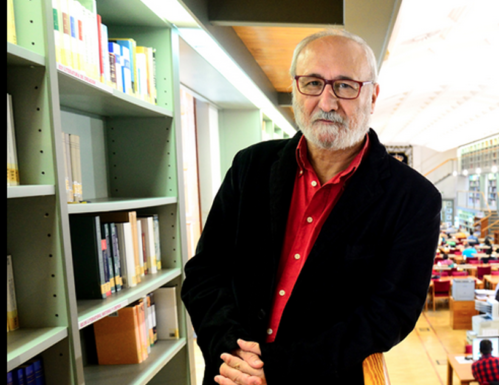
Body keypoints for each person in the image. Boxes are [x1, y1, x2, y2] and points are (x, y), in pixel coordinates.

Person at [181, 29, 441, 384]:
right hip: (231, 375)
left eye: (345, 86)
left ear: (373, 95)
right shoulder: (250, 168)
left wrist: (275, 367)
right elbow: (205, 273)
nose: (327, 102)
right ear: (294, 88)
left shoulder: (413, 198)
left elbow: (390, 312)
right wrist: (230, 351)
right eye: (313, 83)